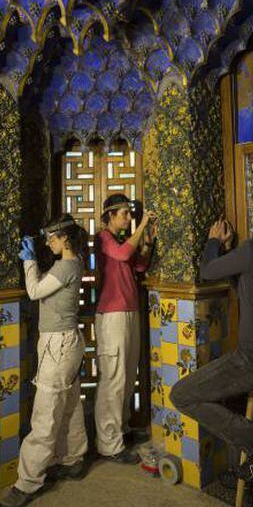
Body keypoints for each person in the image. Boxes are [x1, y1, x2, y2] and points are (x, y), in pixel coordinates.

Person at [170, 206, 253, 482]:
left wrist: (213, 241)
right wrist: (232, 250)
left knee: (181, 394)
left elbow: (208, 271)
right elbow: (245, 287)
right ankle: (241, 461)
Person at [0, 214, 89, 507]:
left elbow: (35, 291)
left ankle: (27, 482)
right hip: (67, 342)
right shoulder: (72, 263)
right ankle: (74, 459)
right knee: (71, 404)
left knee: (45, 413)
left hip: (58, 345)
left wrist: (28, 261)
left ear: (65, 238)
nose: (49, 242)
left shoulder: (65, 266)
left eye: (52, 237)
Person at [95, 194, 156, 463]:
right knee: (114, 379)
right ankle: (109, 444)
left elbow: (139, 265)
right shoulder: (104, 238)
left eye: (130, 214)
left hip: (129, 311)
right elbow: (121, 255)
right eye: (124, 214)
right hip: (112, 315)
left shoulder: (121, 240)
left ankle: (122, 428)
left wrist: (147, 242)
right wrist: (141, 226)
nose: (129, 218)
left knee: (128, 373)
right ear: (110, 215)